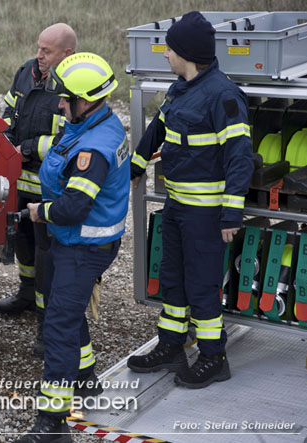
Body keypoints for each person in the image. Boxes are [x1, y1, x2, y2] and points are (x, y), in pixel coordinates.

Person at [126, 11, 254, 389]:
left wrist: (231, 213)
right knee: (172, 278)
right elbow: (157, 131)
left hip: (206, 214)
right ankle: (172, 346)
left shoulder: (224, 96)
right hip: (178, 208)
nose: (165, 54)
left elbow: (239, 156)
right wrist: (132, 168)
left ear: (187, 53)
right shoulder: (180, 88)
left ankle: (214, 357)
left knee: (201, 284)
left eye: (171, 48)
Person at [17, 52, 130, 443]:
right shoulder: (90, 122)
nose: (60, 104)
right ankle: (84, 377)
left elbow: (73, 207)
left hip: (83, 246)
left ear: (86, 99)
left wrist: (38, 212)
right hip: (73, 242)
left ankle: (52, 422)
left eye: (65, 99)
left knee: (59, 325)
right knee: (58, 304)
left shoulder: (94, 148)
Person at [0, 23, 76, 358]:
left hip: (50, 186)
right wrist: (3, 140)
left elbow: (65, 140)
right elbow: (8, 113)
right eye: (39, 48)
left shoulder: (74, 84)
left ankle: (47, 325)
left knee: (48, 256)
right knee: (24, 242)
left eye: (47, 51)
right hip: (21, 179)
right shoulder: (25, 73)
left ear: (67, 54)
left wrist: (26, 147)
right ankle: (27, 293)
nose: (39, 56)